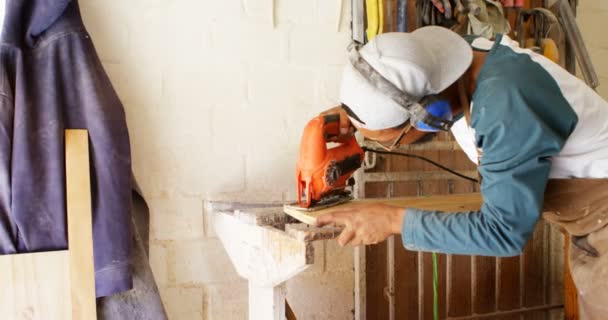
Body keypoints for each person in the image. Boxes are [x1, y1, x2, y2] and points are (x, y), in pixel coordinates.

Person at [316, 26, 608, 318]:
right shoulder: (445, 64)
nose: (390, 147)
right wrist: (356, 116)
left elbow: (504, 232)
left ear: (429, 117)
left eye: (391, 141)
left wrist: (392, 219)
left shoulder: (505, 103)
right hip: (588, 221)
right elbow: (389, 85)